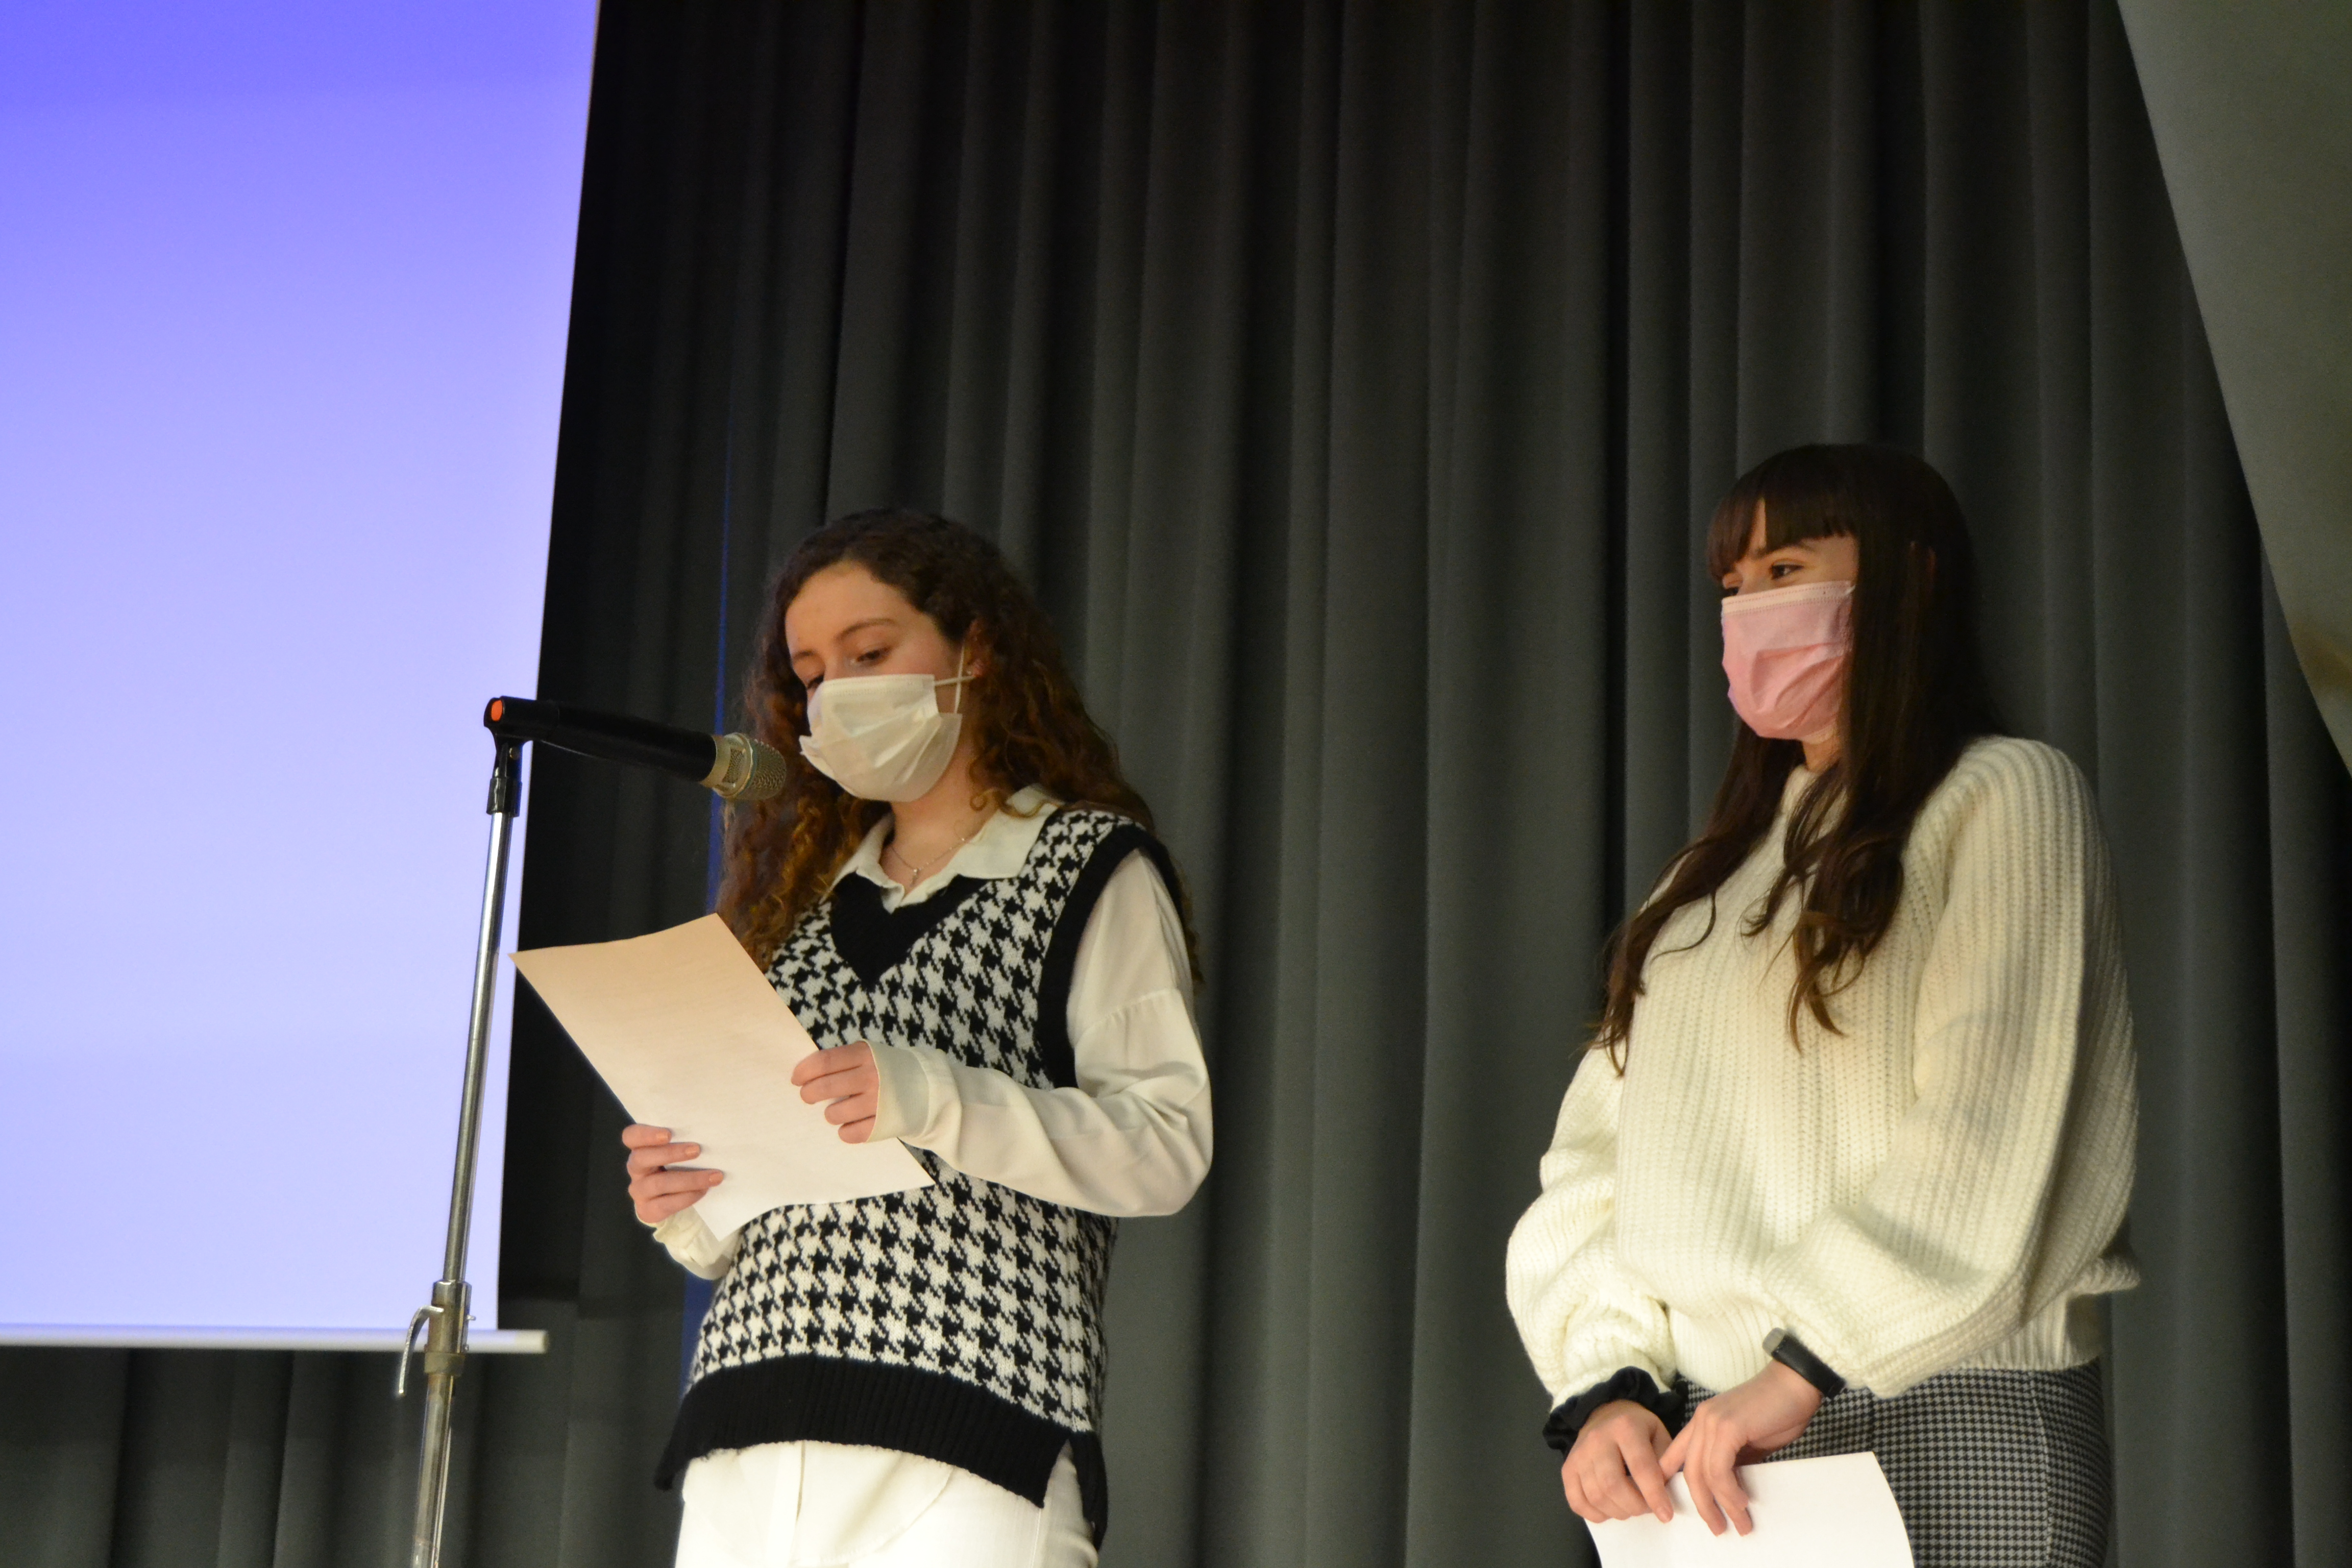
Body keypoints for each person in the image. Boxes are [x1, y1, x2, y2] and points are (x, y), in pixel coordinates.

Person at [1505, 445, 2138, 1567]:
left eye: (1786, 570)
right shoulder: (1702, 886)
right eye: (1733, 586)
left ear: (1912, 576)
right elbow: (1595, 1167)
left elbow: (1989, 1124)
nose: (1751, 611)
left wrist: (1807, 1363)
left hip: (1949, 1408)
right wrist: (1608, 1384)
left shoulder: (2005, 798)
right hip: (1717, 1445)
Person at [621, 508, 1211, 1568]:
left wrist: (934, 1097)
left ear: (974, 649)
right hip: (745, 1430)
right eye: (811, 674)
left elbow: (1164, 1146)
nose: (835, 695)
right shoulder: (794, 907)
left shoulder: (1084, 868)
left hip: (967, 1438)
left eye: (869, 653)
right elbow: (751, 1212)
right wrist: (686, 1201)